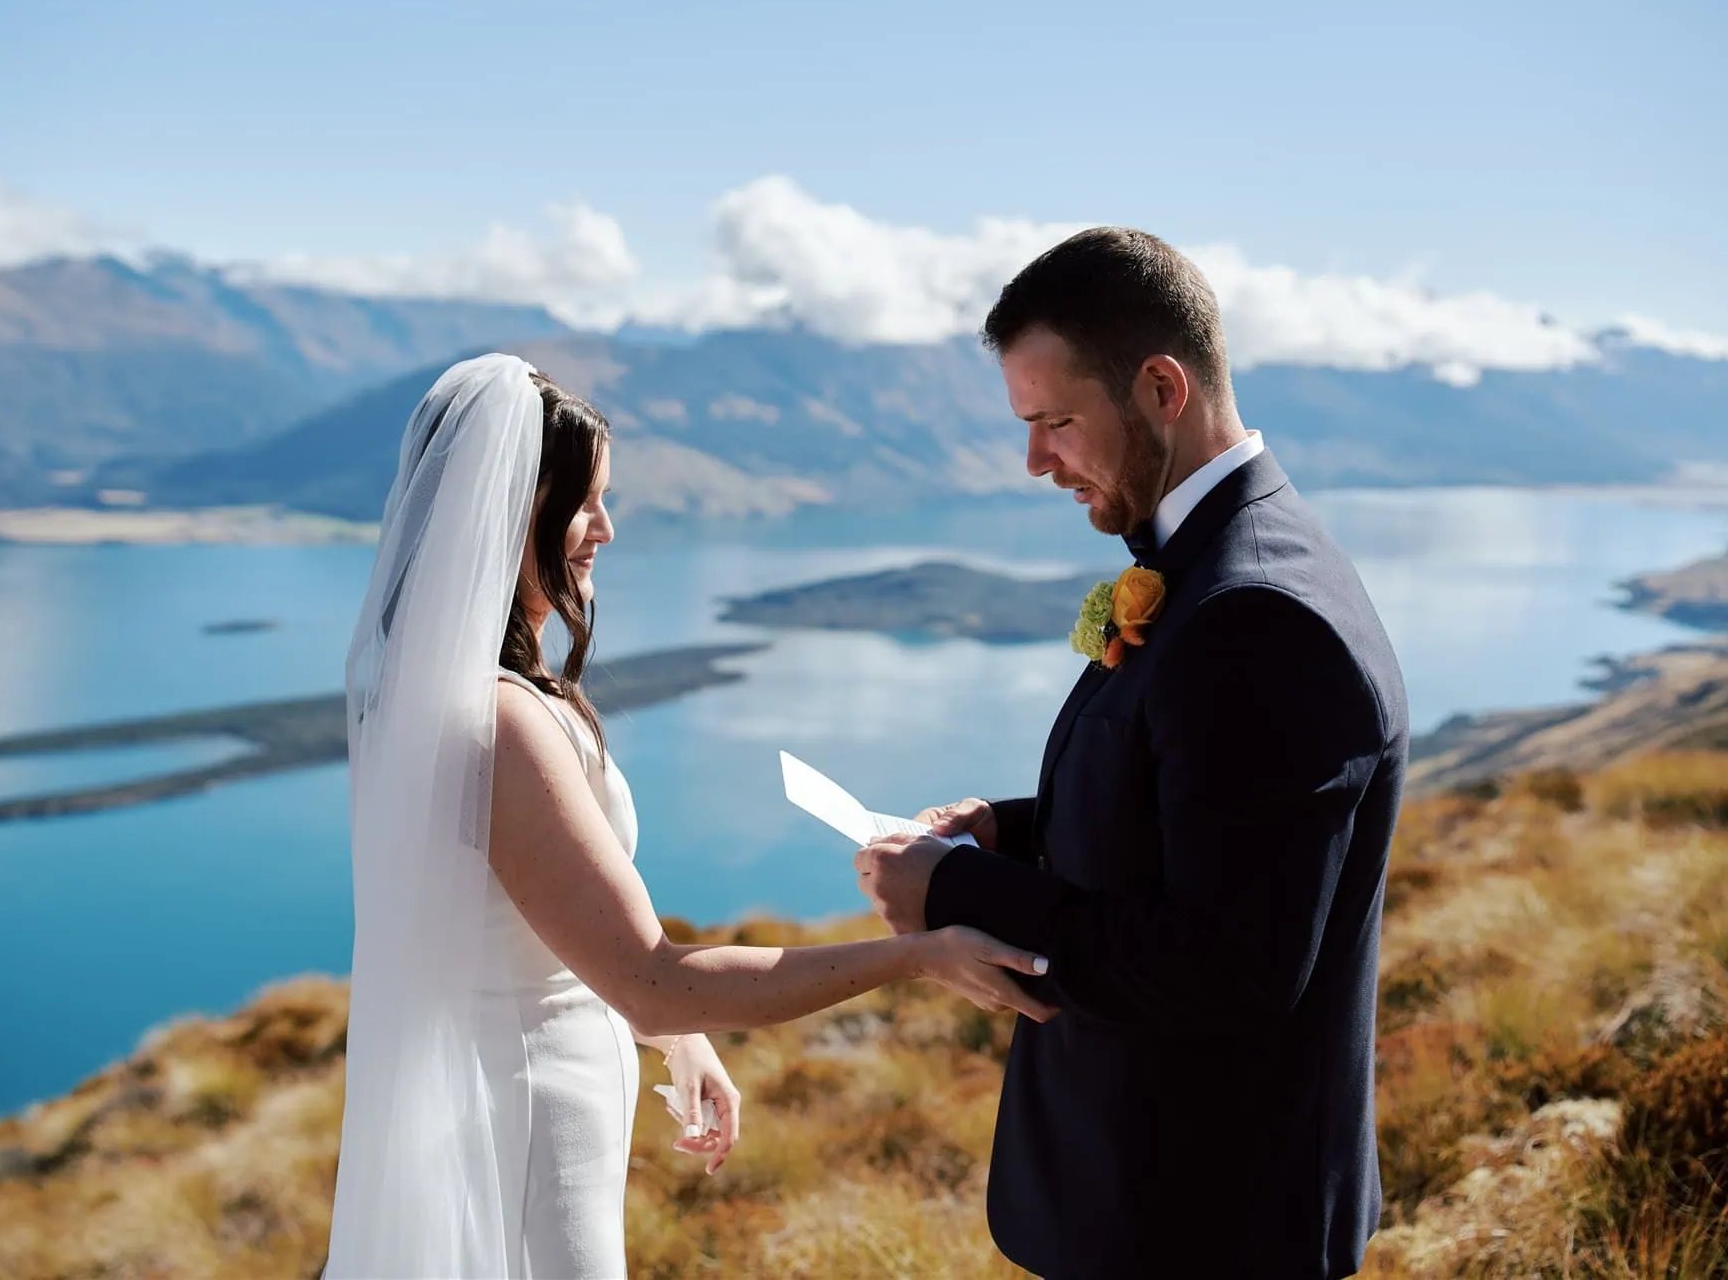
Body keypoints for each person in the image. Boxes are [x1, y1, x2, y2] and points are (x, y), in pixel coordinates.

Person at [325, 353, 1054, 1280]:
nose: (607, 529)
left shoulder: (460, 695)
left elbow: (563, 939)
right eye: (585, 503)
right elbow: (651, 976)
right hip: (525, 1128)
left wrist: (679, 1037)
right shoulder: (500, 719)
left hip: (534, 1100)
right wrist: (920, 953)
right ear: (511, 513)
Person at [856, 229, 1410, 1279]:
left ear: (1161, 386)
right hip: (1161, 1205)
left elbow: (1225, 965)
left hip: (1201, 1221)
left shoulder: (1253, 611)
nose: (1034, 462)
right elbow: (1197, 798)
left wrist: (960, 890)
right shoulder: (1214, 565)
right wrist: (1004, 829)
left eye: (1055, 422)